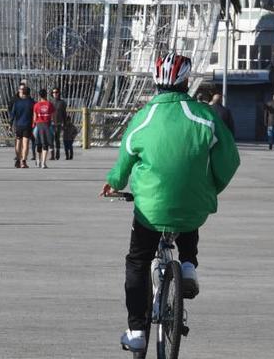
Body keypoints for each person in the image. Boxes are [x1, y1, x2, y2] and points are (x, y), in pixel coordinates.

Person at [100, 52, 240, 353]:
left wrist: (114, 182)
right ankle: (188, 265)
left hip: (150, 208)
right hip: (193, 206)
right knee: (188, 212)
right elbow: (230, 161)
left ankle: (137, 329)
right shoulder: (205, 116)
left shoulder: (144, 117)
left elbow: (124, 161)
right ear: (186, 82)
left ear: (155, 82)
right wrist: (211, 186)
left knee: (137, 261)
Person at [10, 85, 35, 168]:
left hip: (18, 125)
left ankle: (18, 159)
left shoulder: (17, 102)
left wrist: (10, 124)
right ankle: (23, 161)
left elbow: (12, 114)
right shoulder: (32, 102)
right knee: (25, 144)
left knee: (18, 143)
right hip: (27, 125)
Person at [32, 89, 54, 169]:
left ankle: (38, 161)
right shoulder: (50, 104)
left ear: (39, 95)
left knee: (38, 144)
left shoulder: (36, 105)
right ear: (46, 95)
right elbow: (53, 116)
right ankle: (43, 163)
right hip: (47, 125)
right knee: (46, 144)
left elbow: (34, 118)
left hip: (38, 125)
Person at [50, 87, 67, 160]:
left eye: (56, 92)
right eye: (53, 92)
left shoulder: (62, 102)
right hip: (51, 123)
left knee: (57, 139)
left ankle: (57, 154)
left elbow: (64, 114)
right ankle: (52, 155)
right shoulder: (50, 102)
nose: (55, 94)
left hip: (59, 123)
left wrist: (65, 123)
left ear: (59, 93)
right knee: (51, 139)